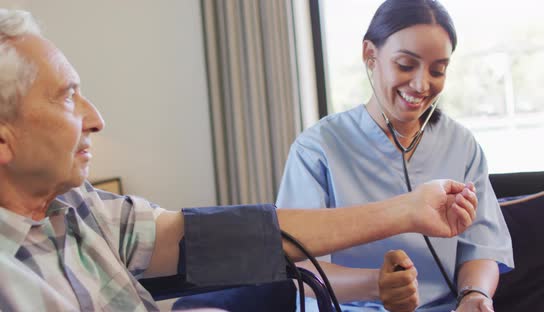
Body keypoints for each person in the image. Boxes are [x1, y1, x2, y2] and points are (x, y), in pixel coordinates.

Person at [0, 9, 479, 311]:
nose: (96, 119)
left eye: (438, 69)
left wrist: (409, 210)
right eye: (67, 97)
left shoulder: (83, 209)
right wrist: (376, 283)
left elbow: (221, 238)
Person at [276, 0, 514, 311]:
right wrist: (376, 285)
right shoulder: (317, 148)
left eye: (437, 70)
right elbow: (296, 267)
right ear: (370, 56)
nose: (421, 84)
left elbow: (482, 247)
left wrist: (474, 296)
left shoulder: (461, 144)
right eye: (405, 65)